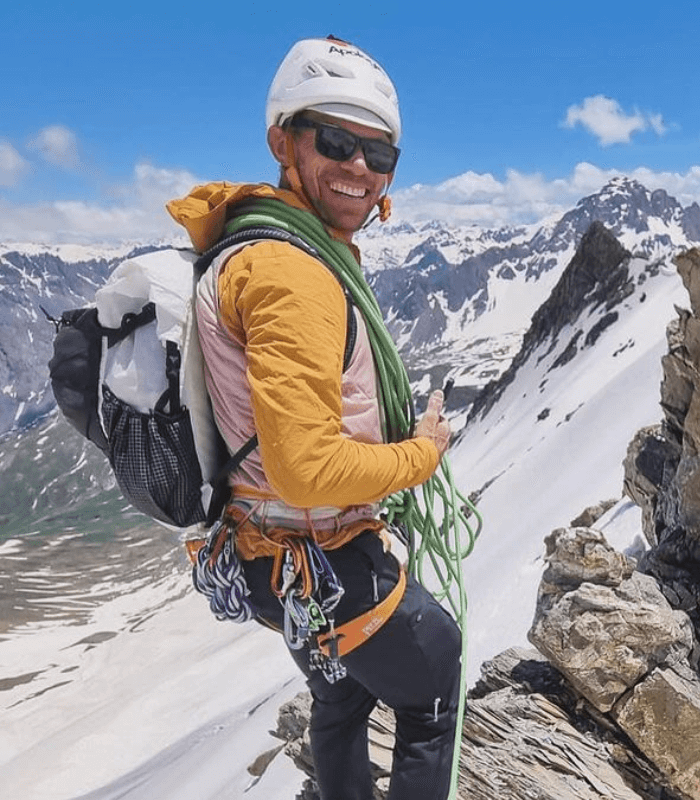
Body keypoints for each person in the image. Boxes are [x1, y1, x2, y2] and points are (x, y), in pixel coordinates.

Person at [166, 36, 461, 800]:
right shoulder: (293, 271)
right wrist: (422, 453)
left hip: (272, 560)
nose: (360, 168)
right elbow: (307, 467)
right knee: (432, 684)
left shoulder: (259, 243)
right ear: (283, 141)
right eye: (336, 140)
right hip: (324, 553)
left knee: (341, 695)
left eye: (379, 153)